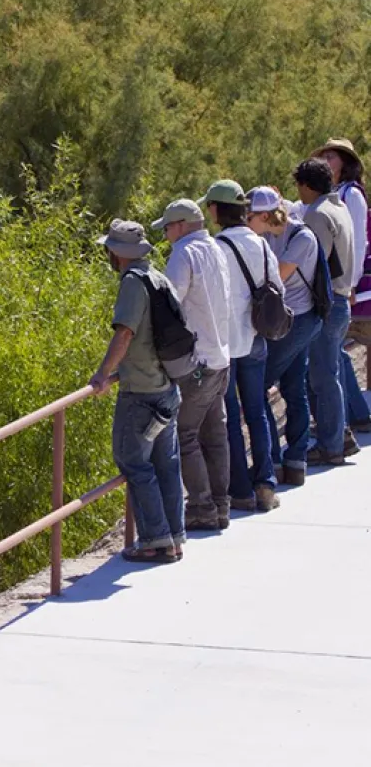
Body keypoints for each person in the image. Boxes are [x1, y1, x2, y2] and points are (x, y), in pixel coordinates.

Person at [88, 219, 185, 563]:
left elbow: (124, 333)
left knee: (133, 462)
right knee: (166, 464)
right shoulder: (158, 277)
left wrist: (102, 374)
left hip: (141, 392)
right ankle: (173, 536)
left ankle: (155, 540)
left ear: (117, 253)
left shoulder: (132, 282)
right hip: (167, 388)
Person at [202, 179, 284, 513]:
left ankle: (240, 490)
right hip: (255, 337)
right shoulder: (261, 244)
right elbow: (276, 286)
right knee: (258, 409)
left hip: (226, 342)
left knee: (231, 416)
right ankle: (265, 483)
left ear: (217, 210)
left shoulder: (215, 248)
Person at [151, 198, 232, 532]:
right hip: (221, 357)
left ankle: (200, 506)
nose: (166, 234)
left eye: (168, 227)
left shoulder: (183, 254)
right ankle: (221, 506)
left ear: (181, 225)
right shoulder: (216, 249)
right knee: (216, 434)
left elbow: (171, 303)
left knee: (185, 435)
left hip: (197, 362)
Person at [246, 187, 323, 487]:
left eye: (249, 215)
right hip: (283, 320)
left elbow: (276, 276)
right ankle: (295, 462)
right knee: (293, 386)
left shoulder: (302, 238)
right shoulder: (265, 235)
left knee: (261, 384)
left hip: (299, 320)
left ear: (265, 215)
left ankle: (275, 461)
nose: (245, 220)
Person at [295, 157, 358, 466]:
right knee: (328, 372)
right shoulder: (340, 207)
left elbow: (312, 264)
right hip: (342, 298)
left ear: (307, 186)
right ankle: (340, 436)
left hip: (326, 302)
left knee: (322, 377)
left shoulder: (317, 214)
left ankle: (331, 445)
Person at [313, 138, 371, 434]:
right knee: (334, 350)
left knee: (332, 350)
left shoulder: (353, 195)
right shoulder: (334, 194)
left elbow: (358, 243)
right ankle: (357, 414)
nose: (327, 161)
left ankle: (349, 419)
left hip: (346, 285)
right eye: (324, 156)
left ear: (345, 163)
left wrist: (350, 282)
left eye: (332, 157)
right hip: (336, 285)